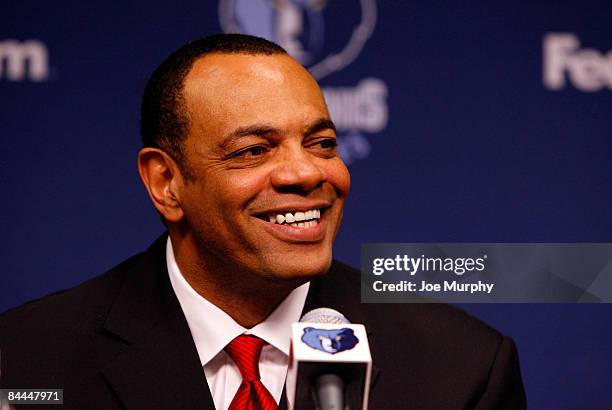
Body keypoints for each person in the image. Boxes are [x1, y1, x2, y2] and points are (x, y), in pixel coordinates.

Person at [0, 34, 526, 409]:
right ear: (166, 182)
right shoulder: (26, 360)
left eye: (322, 144)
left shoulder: (463, 367)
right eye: (254, 150)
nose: (305, 172)